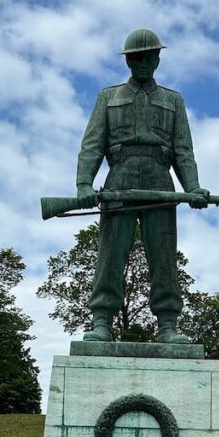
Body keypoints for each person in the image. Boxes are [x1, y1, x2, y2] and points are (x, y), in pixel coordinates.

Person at [76, 28, 209, 343]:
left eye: (148, 56)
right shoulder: (108, 97)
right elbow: (93, 144)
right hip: (119, 177)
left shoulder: (173, 100)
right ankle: (101, 321)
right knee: (110, 254)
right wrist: (84, 182)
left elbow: (183, 151)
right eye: (136, 57)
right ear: (128, 61)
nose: (143, 62)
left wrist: (194, 187)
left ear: (158, 58)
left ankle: (168, 324)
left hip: (160, 181)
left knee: (164, 257)